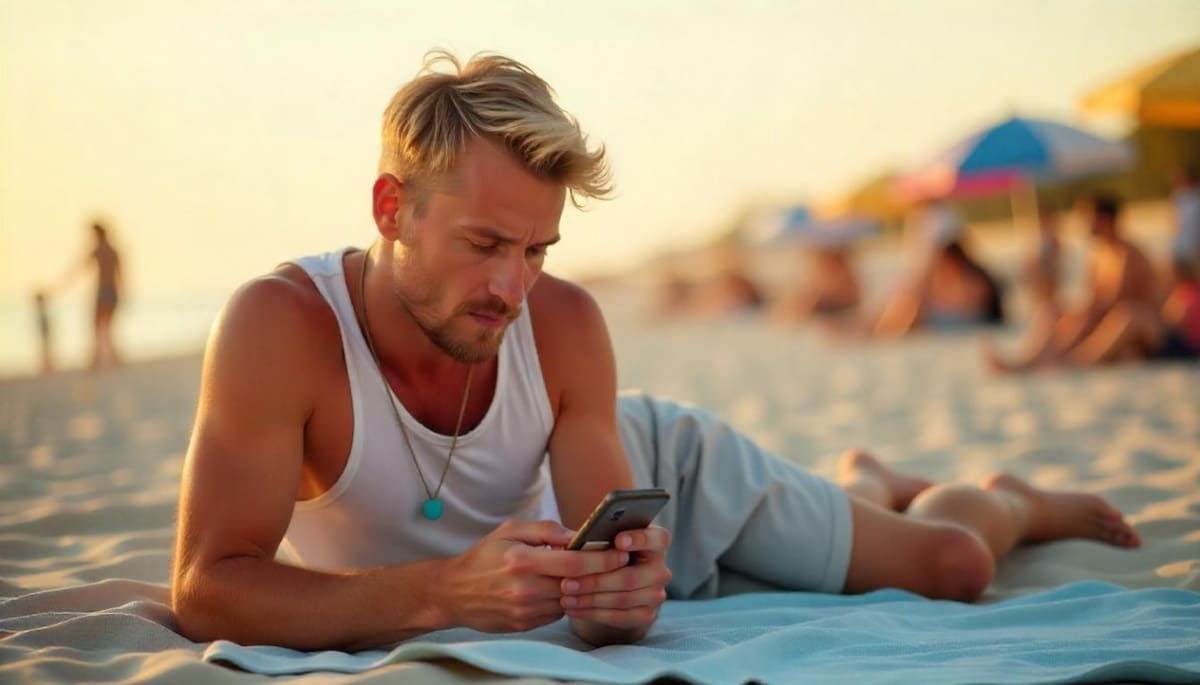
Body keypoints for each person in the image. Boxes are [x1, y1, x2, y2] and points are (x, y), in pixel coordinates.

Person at [171, 50, 1140, 652]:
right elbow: (210, 584)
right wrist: (435, 592)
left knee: (956, 564)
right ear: (393, 208)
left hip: (671, 464)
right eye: (483, 245)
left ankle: (1009, 492)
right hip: (487, 567)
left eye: (537, 249)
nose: (514, 287)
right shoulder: (280, 327)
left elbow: (607, 578)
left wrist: (621, 598)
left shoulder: (563, 323)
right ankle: (862, 479)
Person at [985, 192, 1161, 372]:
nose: (1083, 224)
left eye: (1089, 218)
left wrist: (1083, 314)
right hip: (1109, 316)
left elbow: (1116, 300)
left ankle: (1071, 361)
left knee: (1114, 315)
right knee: (1053, 310)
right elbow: (1095, 297)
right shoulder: (1099, 254)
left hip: (1143, 323)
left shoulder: (1128, 254)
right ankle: (1031, 361)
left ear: (1105, 220)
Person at [59, 221, 124, 371]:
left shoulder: (99, 251)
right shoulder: (113, 251)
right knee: (107, 327)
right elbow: (121, 276)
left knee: (98, 328)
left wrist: (60, 286)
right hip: (112, 291)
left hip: (103, 292)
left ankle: (97, 360)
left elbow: (78, 269)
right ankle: (111, 359)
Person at [1170, 165, 1200, 274]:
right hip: (1180, 246)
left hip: (1194, 248)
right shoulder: (1179, 196)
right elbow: (1175, 221)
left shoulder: (1197, 197)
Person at [33, 289, 54, 374]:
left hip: (44, 331)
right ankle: (46, 365)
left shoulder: (41, 311)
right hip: (44, 331)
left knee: (45, 347)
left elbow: (43, 324)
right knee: (45, 347)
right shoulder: (41, 311)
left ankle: (46, 365)